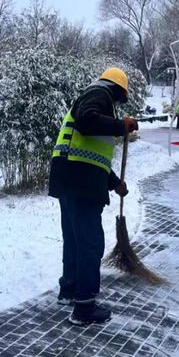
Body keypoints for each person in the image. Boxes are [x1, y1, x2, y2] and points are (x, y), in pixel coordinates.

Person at [49, 67, 139, 326]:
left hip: (69, 176)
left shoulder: (92, 97)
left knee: (75, 240)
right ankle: (84, 306)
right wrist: (119, 125)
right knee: (90, 242)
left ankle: (69, 290)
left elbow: (91, 154)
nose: (120, 104)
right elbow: (87, 123)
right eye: (122, 97)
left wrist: (114, 184)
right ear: (118, 89)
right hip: (80, 181)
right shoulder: (99, 94)